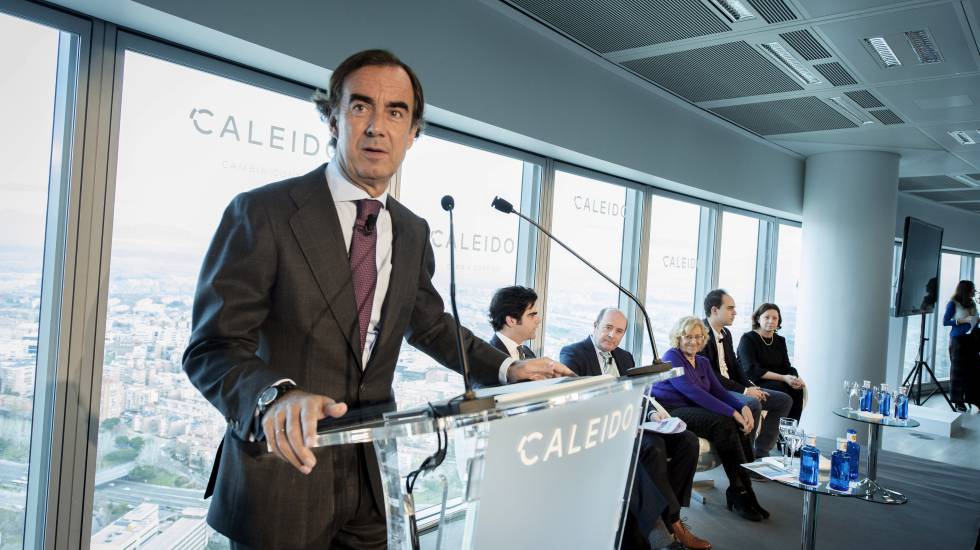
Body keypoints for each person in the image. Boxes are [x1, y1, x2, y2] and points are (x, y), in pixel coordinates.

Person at [181, 49, 573, 550]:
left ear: (412, 133)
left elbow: (430, 325)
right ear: (333, 118)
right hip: (283, 476)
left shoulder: (412, 230)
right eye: (361, 106)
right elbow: (212, 347)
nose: (376, 127)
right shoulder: (263, 212)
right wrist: (273, 397)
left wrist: (507, 368)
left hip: (370, 477)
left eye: (396, 112)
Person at [561, 309, 709, 549]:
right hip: (604, 429)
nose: (612, 335)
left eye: (619, 331)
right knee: (655, 448)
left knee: (688, 441)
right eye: (608, 328)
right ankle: (673, 523)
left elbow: (637, 394)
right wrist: (621, 420)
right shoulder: (573, 353)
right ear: (595, 325)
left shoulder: (625, 357)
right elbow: (578, 403)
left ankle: (668, 514)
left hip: (634, 422)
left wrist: (651, 413)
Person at [651, 316, 767, 522]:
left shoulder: (703, 362)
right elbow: (694, 392)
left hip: (693, 408)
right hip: (671, 410)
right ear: (678, 338)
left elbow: (718, 391)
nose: (693, 341)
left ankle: (746, 489)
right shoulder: (672, 357)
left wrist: (742, 407)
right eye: (688, 336)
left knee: (733, 422)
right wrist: (733, 413)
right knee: (724, 422)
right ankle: (739, 491)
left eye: (698, 337)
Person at [700, 289, 791, 457]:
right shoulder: (700, 333)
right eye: (730, 308)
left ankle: (760, 452)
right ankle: (745, 458)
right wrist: (745, 391)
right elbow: (710, 375)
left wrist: (750, 386)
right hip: (716, 390)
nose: (735, 312)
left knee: (784, 400)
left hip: (733, 386)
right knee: (752, 403)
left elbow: (735, 367)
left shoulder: (726, 333)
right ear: (714, 310)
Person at [737, 303, 806, 422]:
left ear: (779, 321)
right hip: (753, 381)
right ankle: (775, 430)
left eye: (775, 318)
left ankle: (788, 429)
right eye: (767, 317)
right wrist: (783, 378)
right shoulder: (748, 339)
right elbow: (751, 370)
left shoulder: (780, 340)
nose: (771, 321)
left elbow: (786, 367)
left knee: (797, 389)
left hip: (776, 380)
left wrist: (795, 378)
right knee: (781, 389)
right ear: (758, 319)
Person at [943, 280, 978, 412]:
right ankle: (958, 401)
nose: (974, 291)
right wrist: (963, 320)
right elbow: (945, 321)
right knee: (958, 373)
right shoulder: (953, 303)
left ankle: (973, 399)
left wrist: (976, 320)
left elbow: (975, 319)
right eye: (972, 289)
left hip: (972, 339)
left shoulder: (972, 303)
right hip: (958, 340)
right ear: (966, 290)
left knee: (974, 371)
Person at [487, 285, 540, 360]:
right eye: (531, 315)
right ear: (511, 320)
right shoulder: (488, 357)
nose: (538, 320)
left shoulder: (527, 352)